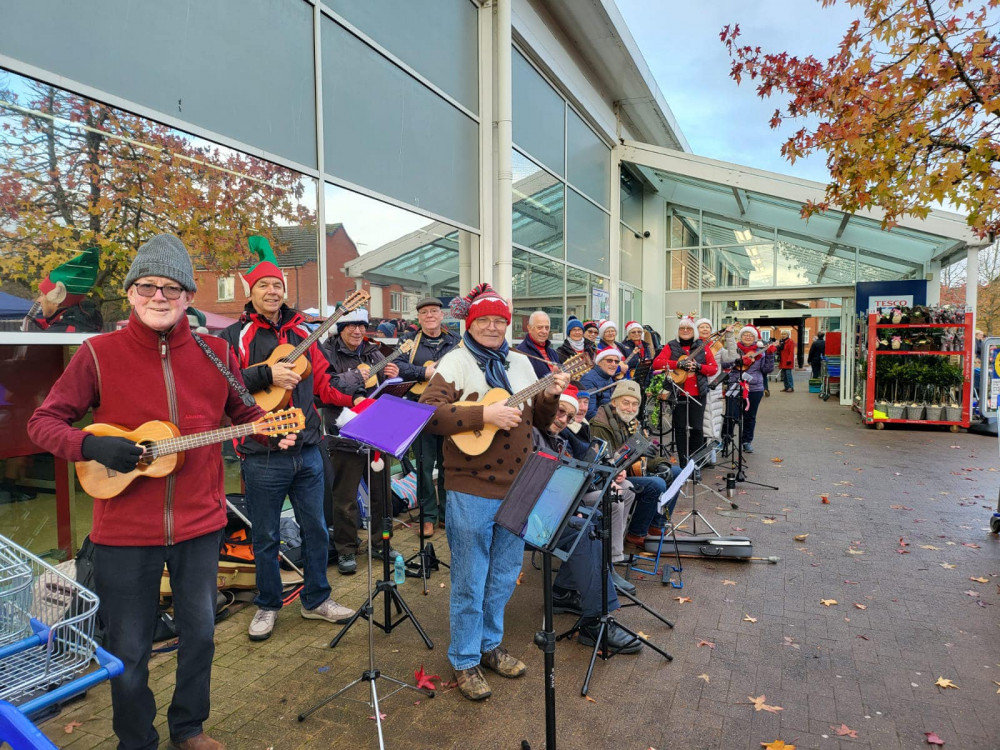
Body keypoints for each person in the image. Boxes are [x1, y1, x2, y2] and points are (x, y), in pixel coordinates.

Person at [27, 234, 290, 750]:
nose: (159, 295)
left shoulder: (217, 354)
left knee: (202, 635)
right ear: (130, 293)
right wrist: (92, 447)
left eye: (173, 287)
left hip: (199, 523)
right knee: (128, 648)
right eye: (148, 285)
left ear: (190, 297)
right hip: (124, 532)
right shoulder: (97, 354)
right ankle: (136, 739)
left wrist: (271, 426)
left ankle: (188, 728)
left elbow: (245, 413)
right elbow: (43, 423)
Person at [419, 283, 567, 701]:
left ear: (507, 324)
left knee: (503, 574)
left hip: (519, 484)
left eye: (498, 321)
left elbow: (538, 419)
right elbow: (429, 414)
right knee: (470, 576)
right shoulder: (456, 361)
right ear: (470, 323)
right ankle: (464, 658)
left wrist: (551, 396)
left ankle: (489, 645)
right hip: (471, 487)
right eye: (483, 320)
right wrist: (483, 413)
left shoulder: (521, 362)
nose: (491, 327)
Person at [220, 236, 356, 642]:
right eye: (264, 285)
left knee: (316, 527)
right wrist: (266, 375)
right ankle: (267, 603)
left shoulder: (303, 333)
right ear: (251, 291)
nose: (272, 291)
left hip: (310, 449)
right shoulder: (235, 336)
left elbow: (325, 386)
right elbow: (223, 386)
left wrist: (358, 391)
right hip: (261, 455)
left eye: (277, 285)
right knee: (265, 535)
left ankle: (317, 599)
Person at [533, 396, 642, 654]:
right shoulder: (533, 435)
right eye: (560, 412)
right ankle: (594, 623)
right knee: (584, 530)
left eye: (569, 418)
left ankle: (562, 591)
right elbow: (537, 487)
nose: (563, 421)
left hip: (551, 508)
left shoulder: (557, 438)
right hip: (530, 516)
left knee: (592, 521)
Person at [320, 307, 400, 574]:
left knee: (381, 494)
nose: (357, 331)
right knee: (345, 496)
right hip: (344, 433)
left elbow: (383, 389)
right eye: (351, 326)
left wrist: (392, 375)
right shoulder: (326, 353)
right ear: (340, 329)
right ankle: (346, 549)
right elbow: (323, 389)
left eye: (362, 326)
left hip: (376, 431)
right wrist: (355, 377)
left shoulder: (373, 351)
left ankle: (381, 543)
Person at [589, 380, 679, 552]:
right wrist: (637, 452)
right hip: (614, 477)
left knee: (675, 472)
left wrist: (662, 464)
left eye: (635, 404)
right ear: (614, 402)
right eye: (626, 402)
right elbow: (607, 462)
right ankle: (636, 533)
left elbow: (645, 452)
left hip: (629, 469)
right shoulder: (600, 424)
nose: (630, 408)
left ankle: (656, 525)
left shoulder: (631, 421)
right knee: (656, 485)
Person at [398, 296, 461, 537]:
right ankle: (428, 516)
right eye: (424, 313)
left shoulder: (455, 342)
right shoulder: (408, 342)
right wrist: (424, 371)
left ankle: (446, 514)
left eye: (434, 311)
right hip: (419, 407)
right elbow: (399, 367)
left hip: (448, 408)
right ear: (419, 317)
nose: (430, 316)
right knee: (424, 464)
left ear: (442, 315)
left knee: (448, 462)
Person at [652, 317, 718, 470]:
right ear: (678, 331)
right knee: (680, 429)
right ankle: (683, 464)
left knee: (697, 429)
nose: (685, 331)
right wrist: (677, 364)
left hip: (697, 394)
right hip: (678, 393)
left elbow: (713, 368)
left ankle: (695, 465)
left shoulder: (702, 346)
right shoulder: (671, 346)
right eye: (682, 328)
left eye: (688, 328)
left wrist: (699, 367)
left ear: (694, 331)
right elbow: (657, 363)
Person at [27, 245, 104, 333]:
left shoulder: (55, 336)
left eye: (42, 295)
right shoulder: (90, 326)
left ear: (56, 300)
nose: (39, 300)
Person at [723, 325, 775, 454]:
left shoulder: (761, 352)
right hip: (735, 385)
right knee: (730, 415)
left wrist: (769, 355)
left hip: (754, 387)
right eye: (745, 334)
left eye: (751, 335)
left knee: (750, 416)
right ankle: (725, 440)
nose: (748, 336)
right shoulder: (733, 349)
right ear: (740, 336)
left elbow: (767, 370)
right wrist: (738, 361)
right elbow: (724, 364)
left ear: (755, 338)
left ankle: (746, 441)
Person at [696, 319, 737, 466]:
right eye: (702, 327)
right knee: (699, 422)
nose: (705, 329)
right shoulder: (694, 345)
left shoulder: (717, 345)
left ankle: (710, 455)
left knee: (714, 421)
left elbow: (732, 357)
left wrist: (730, 337)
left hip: (715, 387)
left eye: (708, 327)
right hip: (697, 386)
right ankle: (700, 456)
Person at [578, 347, 621, 419]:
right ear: (599, 362)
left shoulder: (608, 377)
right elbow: (589, 413)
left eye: (616, 361)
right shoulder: (588, 380)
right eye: (609, 361)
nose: (614, 364)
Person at [515, 310, 561, 378]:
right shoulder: (520, 353)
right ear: (529, 328)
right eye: (540, 327)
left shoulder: (553, 353)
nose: (544, 331)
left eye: (547, 328)